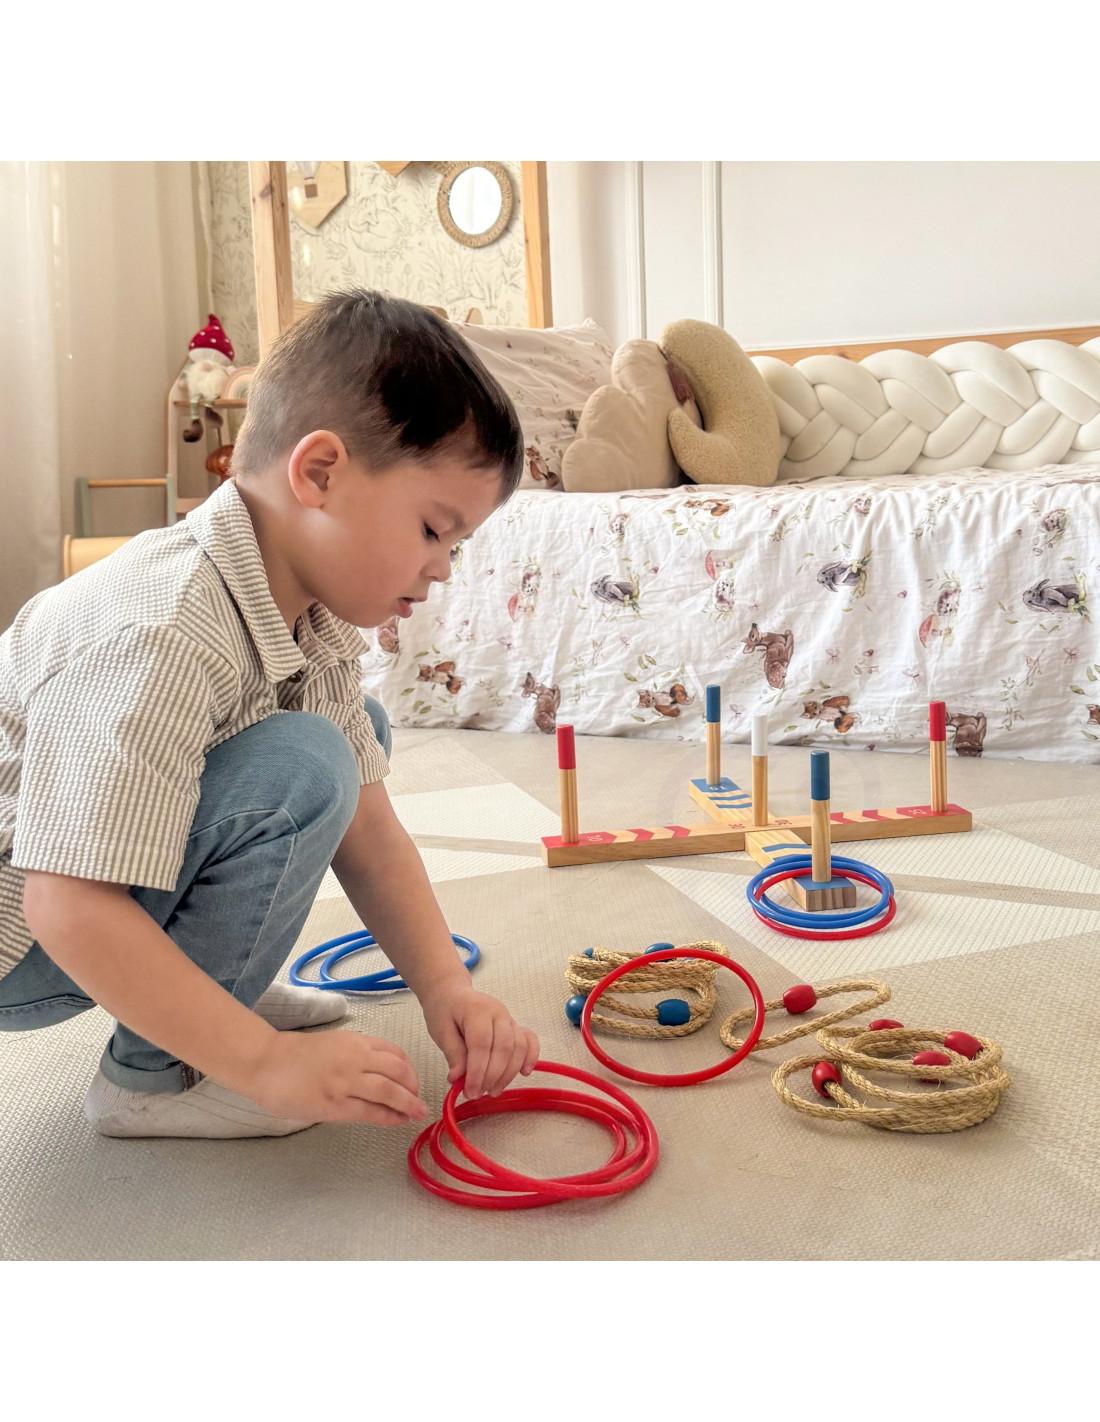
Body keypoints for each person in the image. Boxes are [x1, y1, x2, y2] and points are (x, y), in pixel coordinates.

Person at [0, 289, 540, 1139]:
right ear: (320, 472)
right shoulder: (163, 626)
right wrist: (262, 1063)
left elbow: (370, 829)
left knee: (351, 742)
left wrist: (447, 988)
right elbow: (65, 904)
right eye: (434, 530)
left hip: (70, 905)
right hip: (23, 943)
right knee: (305, 762)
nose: (443, 569)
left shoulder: (310, 618)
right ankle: (151, 1079)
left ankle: (222, 992)